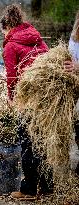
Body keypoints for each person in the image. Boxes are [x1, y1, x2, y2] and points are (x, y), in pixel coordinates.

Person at [0, 4, 53, 199]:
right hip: (48, 97)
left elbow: (11, 77)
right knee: (45, 141)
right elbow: (48, 62)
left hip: (29, 98)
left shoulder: (11, 45)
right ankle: (47, 188)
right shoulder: (37, 39)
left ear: (6, 27)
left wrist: (12, 98)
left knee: (28, 141)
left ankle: (29, 190)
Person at [64, 10, 79, 174]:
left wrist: (77, 67)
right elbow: (70, 58)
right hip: (75, 85)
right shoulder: (74, 37)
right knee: (75, 123)